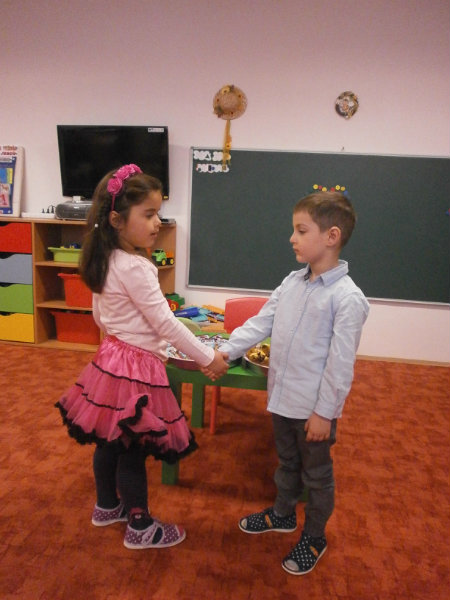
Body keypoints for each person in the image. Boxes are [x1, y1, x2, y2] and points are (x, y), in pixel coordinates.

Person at [55, 164, 228, 550]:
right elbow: (166, 324)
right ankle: (141, 527)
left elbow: (100, 317)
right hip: (135, 370)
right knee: (133, 450)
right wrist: (207, 357)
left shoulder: (105, 258)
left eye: (158, 214)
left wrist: (123, 338)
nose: (157, 223)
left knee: (109, 440)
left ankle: (106, 505)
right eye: (148, 214)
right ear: (117, 220)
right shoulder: (137, 267)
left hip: (111, 360)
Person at [218, 190, 369, 575]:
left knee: (316, 476)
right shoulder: (291, 282)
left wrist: (324, 414)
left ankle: (315, 536)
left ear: (331, 236)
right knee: (286, 463)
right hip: (281, 399)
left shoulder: (347, 298)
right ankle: (283, 514)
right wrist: (227, 350)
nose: (292, 238)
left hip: (313, 411)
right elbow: (261, 323)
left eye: (301, 231)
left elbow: (340, 365)